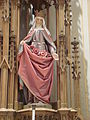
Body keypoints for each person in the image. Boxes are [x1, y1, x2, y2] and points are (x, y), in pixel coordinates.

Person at [18, 10, 59, 104]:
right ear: (35, 21)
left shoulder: (45, 32)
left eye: (41, 20)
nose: (39, 22)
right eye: (37, 20)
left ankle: (41, 99)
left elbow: (50, 44)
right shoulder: (32, 31)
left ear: (43, 21)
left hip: (43, 56)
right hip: (33, 56)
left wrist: (53, 52)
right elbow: (26, 41)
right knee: (31, 76)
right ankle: (31, 99)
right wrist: (23, 43)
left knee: (42, 78)